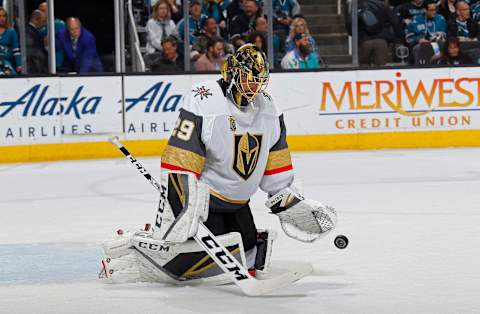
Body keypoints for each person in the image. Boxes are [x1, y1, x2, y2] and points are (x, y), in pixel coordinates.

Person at [100, 44, 337, 284]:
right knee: (195, 263)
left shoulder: (270, 109)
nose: (254, 86)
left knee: (249, 254)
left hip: (238, 205)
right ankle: (140, 253)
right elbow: (181, 158)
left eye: (259, 80)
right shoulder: (206, 99)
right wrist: (184, 204)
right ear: (233, 73)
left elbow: (276, 167)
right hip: (205, 206)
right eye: (248, 78)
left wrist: (290, 202)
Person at [347, 0, 403, 66]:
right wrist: (398, 39)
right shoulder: (383, 5)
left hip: (364, 41)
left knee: (363, 69)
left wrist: (358, 37)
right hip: (381, 40)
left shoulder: (356, 6)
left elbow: (349, 24)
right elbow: (395, 22)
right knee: (380, 68)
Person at [38, 2, 66, 70]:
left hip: (58, 64)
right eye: (39, 11)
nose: (40, 13)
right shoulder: (39, 27)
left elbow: (62, 44)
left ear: (49, 11)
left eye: (43, 10)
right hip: (43, 63)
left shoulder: (58, 24)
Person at [0, 7, 21, 74]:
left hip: (7, 63)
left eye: (4, 16)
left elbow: (16, 50)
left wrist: (19, 64)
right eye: (0, 16)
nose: (2, 18)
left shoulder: (11, 32)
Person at [26, 10, 48, 74]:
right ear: (36, 20)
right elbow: (31, 53)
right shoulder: (29, 32)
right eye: (43, 21)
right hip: (34, 70)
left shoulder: (35, 32)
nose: (45, 24)